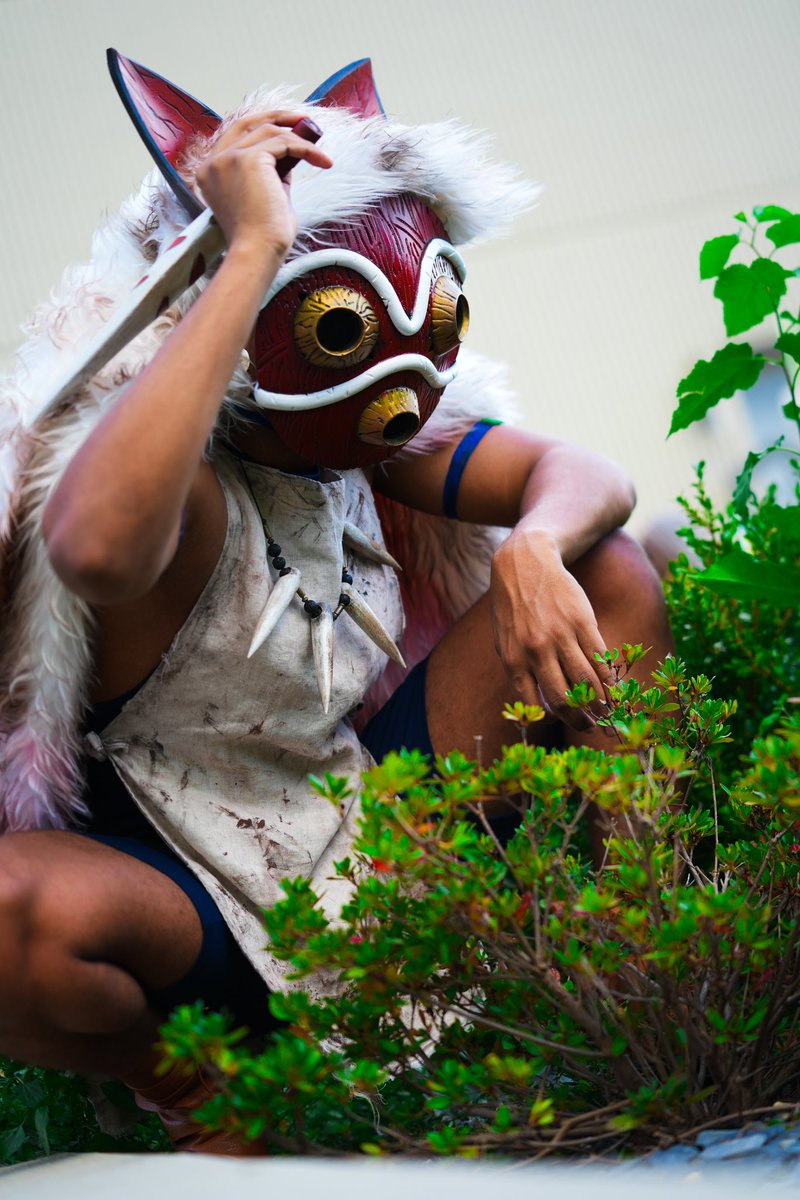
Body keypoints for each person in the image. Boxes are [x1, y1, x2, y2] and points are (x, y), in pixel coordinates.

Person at [0, 55, 671, 1153]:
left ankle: (630, 982)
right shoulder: (169, 476)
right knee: (11, 916)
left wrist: (534, 547)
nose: (401, 375)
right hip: (186, 896)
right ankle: (215, 1099)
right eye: (340, 324)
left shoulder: (372, 444)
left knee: (605, 576)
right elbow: (95, 547)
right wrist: (252, 244)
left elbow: (588, 477)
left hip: (375, 839)